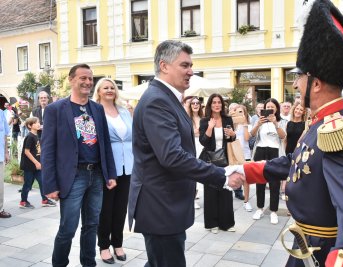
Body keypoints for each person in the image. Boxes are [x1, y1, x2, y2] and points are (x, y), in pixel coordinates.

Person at [233, 0, 343, 266]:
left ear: (317, 83)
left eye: (298, 76)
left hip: (324, 252)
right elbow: (299, 162)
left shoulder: (338, 129)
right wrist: (249, 170)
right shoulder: (320, 122)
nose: (295, 84)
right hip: (305, 245)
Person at [128, 40, 244, 267]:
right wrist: (221, 176)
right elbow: (172, 156)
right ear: (164, 66)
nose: (191, 71)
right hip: (160, 205)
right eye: (184, 65)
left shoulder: (166, 98)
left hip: (166, 203)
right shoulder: (157, 101)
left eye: (191, 65)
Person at [41, 64, 117, 267]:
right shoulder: (55, 110)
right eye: (83, 78)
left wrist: (111, 174)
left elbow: (105, 143)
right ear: (71, 80)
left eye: (90, 78)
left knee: (92, 225)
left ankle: (88, 263)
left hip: (97, 175)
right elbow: (47, 150)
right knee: (68, 228)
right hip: (72, 177)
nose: (88, 82)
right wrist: (50, 185)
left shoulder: (97, 109)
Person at [93, 78, 133, 264]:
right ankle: (103, 246)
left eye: (112, 87)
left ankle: (118, 243)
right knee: (105, 209)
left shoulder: (124, 111)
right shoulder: (95, 110)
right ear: (99, 92)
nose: (109, 90)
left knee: (120, 209)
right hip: (107, 166)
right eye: (105, 88)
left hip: (128, 166)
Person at [199, 94, 236, 234]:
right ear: (210, 105)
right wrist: (210, 128)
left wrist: (233, 134)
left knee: (226, 189)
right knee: (211, 191)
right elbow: (203, 142)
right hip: (210, 159)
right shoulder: (205, 121)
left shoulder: (227, 119)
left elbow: (232, 140)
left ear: (222, 105)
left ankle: (227, 223)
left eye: (219, 102)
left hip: (226, 159)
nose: (217, 105)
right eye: (214, 102)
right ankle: (212, 223)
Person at [250, 98, 286, 224]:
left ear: (276, 109)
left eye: (272, 107)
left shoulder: (281, 121)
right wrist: (258, 124)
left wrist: (276, 123)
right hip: (260, 151)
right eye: (268, 106)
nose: (270, 108)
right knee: (260, 180)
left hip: (275, 152)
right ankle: (259, 208)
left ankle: (273, 211)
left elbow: (283, 136)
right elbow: (252, 135)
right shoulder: (260, 120)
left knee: (274, 183)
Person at [19, 117, 56, 209]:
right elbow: (26, 152)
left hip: (37, 166)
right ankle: (23, 201)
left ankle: (45, 200)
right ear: (29, 126)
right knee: (28, 184)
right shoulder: (29, 137)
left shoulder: (36, 136)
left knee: (42, 182)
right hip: (29, 166)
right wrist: (36, 163)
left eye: (39, 122)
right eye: (36, 123)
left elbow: (38, 151)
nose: (38, 124)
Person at [281, 102, 307, 201]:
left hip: (298, 152)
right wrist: (284, 152)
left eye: (301, 110)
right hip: (288, 151)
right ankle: (286, 194)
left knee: (296, 176)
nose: (298, 111)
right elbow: (285, 140)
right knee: (287, 175)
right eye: (297, 109)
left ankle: (295, 198)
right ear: (293, 109)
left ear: (303, 112)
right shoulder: (288, 123)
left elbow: (302, 141)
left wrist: (298, 152)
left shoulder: (305, 125)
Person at [232, 104, 253, 212]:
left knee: (246, 179)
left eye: (242, 112)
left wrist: (244, 124)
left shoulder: (247, 125)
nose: (240, 114)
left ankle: (246, 201)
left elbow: (246, 138)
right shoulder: (232, 125)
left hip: (245, 154)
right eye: (238, 112)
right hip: (233, 154)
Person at [188, 96, 204, 209]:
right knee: (192, 171)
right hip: (191, 145)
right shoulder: (187, 118)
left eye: (197, 103)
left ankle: (195, 195)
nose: (195, 105)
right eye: (193, 103)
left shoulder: (203, 118)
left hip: (202, 145)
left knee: (200, 171)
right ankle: (191, 198)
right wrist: (195, 132)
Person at [0, 108, 10, 218]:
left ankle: (0, 209)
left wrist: (6, 152)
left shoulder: (1, 113)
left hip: (0, 154)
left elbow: (5, 134)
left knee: (0, 184)